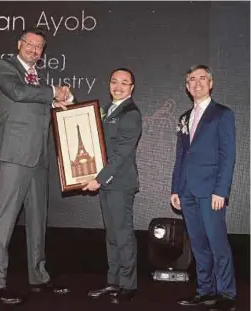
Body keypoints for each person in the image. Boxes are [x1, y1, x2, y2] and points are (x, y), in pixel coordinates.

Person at [0, 28, 73, 305]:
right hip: (14, 154)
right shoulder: (4, 67)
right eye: (30, 44)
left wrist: (60, 105)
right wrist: (53, 92)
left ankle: (39, 276)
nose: (34, 50)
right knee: (3, 220)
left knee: (37, 221)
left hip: (39, 158)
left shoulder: (39, 78)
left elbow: (38, 104)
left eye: (39, 47)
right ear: (19, 45)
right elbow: (18, 93)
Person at [171, 65, 237, 311]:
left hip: (211, 192)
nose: (197, 83)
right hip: (187, 191)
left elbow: (227, 156)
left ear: (211, 83)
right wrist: (175, 189)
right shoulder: (184, 118)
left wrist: (221, 190)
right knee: (198, 245)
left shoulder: (223, 114)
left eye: (202, 78)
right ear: (187, 86)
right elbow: (181, 156)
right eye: (192, 79)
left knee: (217, 244)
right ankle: (205, 291)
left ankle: (227, 295)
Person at [82, 68, 142, 304]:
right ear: (109, 84)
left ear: (132, 88)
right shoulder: (106, 109)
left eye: (124, 83)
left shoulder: (131, 113)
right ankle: (113, 281)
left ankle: (128, 286)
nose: (118, 86)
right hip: (107, 182)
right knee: (112, 235)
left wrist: (99, 178)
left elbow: (122, 153)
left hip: (119, 183)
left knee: (123, 234)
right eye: (115, 82)